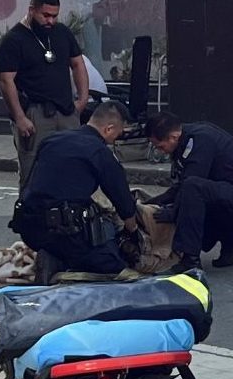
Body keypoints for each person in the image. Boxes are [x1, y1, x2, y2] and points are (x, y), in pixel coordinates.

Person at [12, 99, 141, 277]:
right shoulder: (100, 152)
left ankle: (54, 256)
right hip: (65, 232)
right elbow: (123, 201)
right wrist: (133, 232)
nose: (115, 140)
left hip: (30, 227)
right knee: (113, 265)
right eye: (117, 135)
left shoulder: (51, 140)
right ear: (109, 129)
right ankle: (62, 264)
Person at [0, 0, 91, 190]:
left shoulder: (62, 32)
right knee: (34, 172)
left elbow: (78, 64)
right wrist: (20, 117)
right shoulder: (14, 39)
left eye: (54, 16)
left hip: (66, 111)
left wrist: (83, 99)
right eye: (45, 15)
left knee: (72, 167)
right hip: (35, 113)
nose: (50, 21)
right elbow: (5, 80)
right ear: (32, 10)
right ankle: (31, 209)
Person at [147, 114, 233, 271]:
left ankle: (190, 260)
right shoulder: (185, 139)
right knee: (190, 193)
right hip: (222, 195)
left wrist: (174, 212)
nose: (162, 152)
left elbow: (191, 184)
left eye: (161, 147)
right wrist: (153, 203)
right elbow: (181, 186)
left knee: (192, 190)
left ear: (173, 137)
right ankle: (232, 239)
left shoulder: (201, 140)